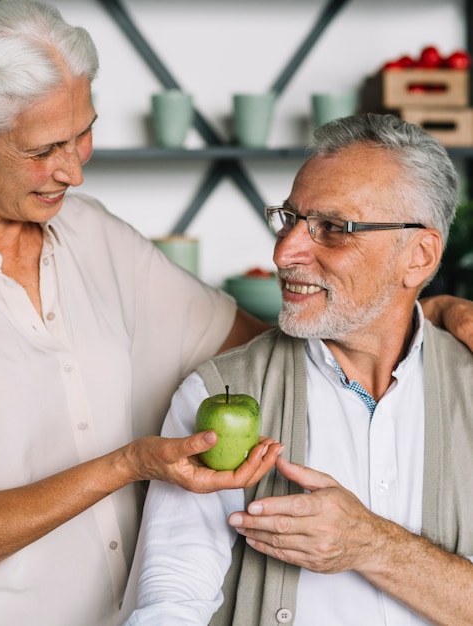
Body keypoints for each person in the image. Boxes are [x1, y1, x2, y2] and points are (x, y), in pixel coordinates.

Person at [0, 4, 469, 625]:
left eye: (83, 131)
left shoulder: (90, 234)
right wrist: (132, 462)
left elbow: (281, 349)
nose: (75, 169)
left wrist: (423, 308)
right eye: (44, 149)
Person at [121, 113, 473, 626]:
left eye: (333, 229)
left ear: (418, 257)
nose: (286, 251)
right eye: (288, 219)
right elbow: (174, 599)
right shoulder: (217, 392)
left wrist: (371, 544)